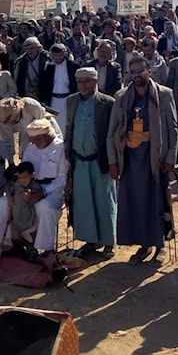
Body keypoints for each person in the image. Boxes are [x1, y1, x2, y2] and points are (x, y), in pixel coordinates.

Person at [107, 55, 178, 266]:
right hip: (130, 158)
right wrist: (113, 161)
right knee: (135, 203)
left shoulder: (164, 95)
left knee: (157, 201)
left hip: (154, 156)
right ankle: (143, 245)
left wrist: (171, 157)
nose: (137, 75)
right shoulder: (121, 97)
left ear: (149, 72)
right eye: (133, 72)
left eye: (140, 71)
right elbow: (112, 132)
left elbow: (173, 129)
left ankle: (160, 245)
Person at [0, 119, 68, 255]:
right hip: (27, 186)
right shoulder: (31, 147)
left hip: (52, 191)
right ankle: (5, 243)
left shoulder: (61, 148)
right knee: (4, 202)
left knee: (43, 206)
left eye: (35, 139)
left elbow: (62, 179)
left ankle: (45, 249)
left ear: (45, 136)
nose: (32, 142)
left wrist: (43, 191)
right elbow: (23, 171)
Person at [65, 67, 117, 258]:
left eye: (87, 81)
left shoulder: (108, 103)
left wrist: (114, 162)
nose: (83, 85)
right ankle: (90, 240)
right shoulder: (71, 101)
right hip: (79, 160)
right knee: (84, 202)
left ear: (95, 81)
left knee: (105, 201)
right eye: (79, 82)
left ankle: (108, 242)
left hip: (101, 160)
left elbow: (114, 135)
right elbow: (69, 128)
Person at [0, 96, 61, 164]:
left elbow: (41, 128)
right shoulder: (4, 118)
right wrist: (11, 162)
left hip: (44, 131)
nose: (9, 124)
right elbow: (7, 140)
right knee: (24, 155)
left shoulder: (30, 106)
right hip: (27, 134)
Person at [6, 161, 40, 247]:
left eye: (25, 177)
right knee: (15, 237)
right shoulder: (16, 184)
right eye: (20, 178)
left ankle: (30, 249)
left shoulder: (34, 186)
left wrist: (30, 195)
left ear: (32, 175)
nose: (22, 180)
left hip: (27, 218)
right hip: (16, 216)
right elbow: (9, 191)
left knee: (30, 238)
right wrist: (10, 198)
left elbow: (36, 196)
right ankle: (20, 250)